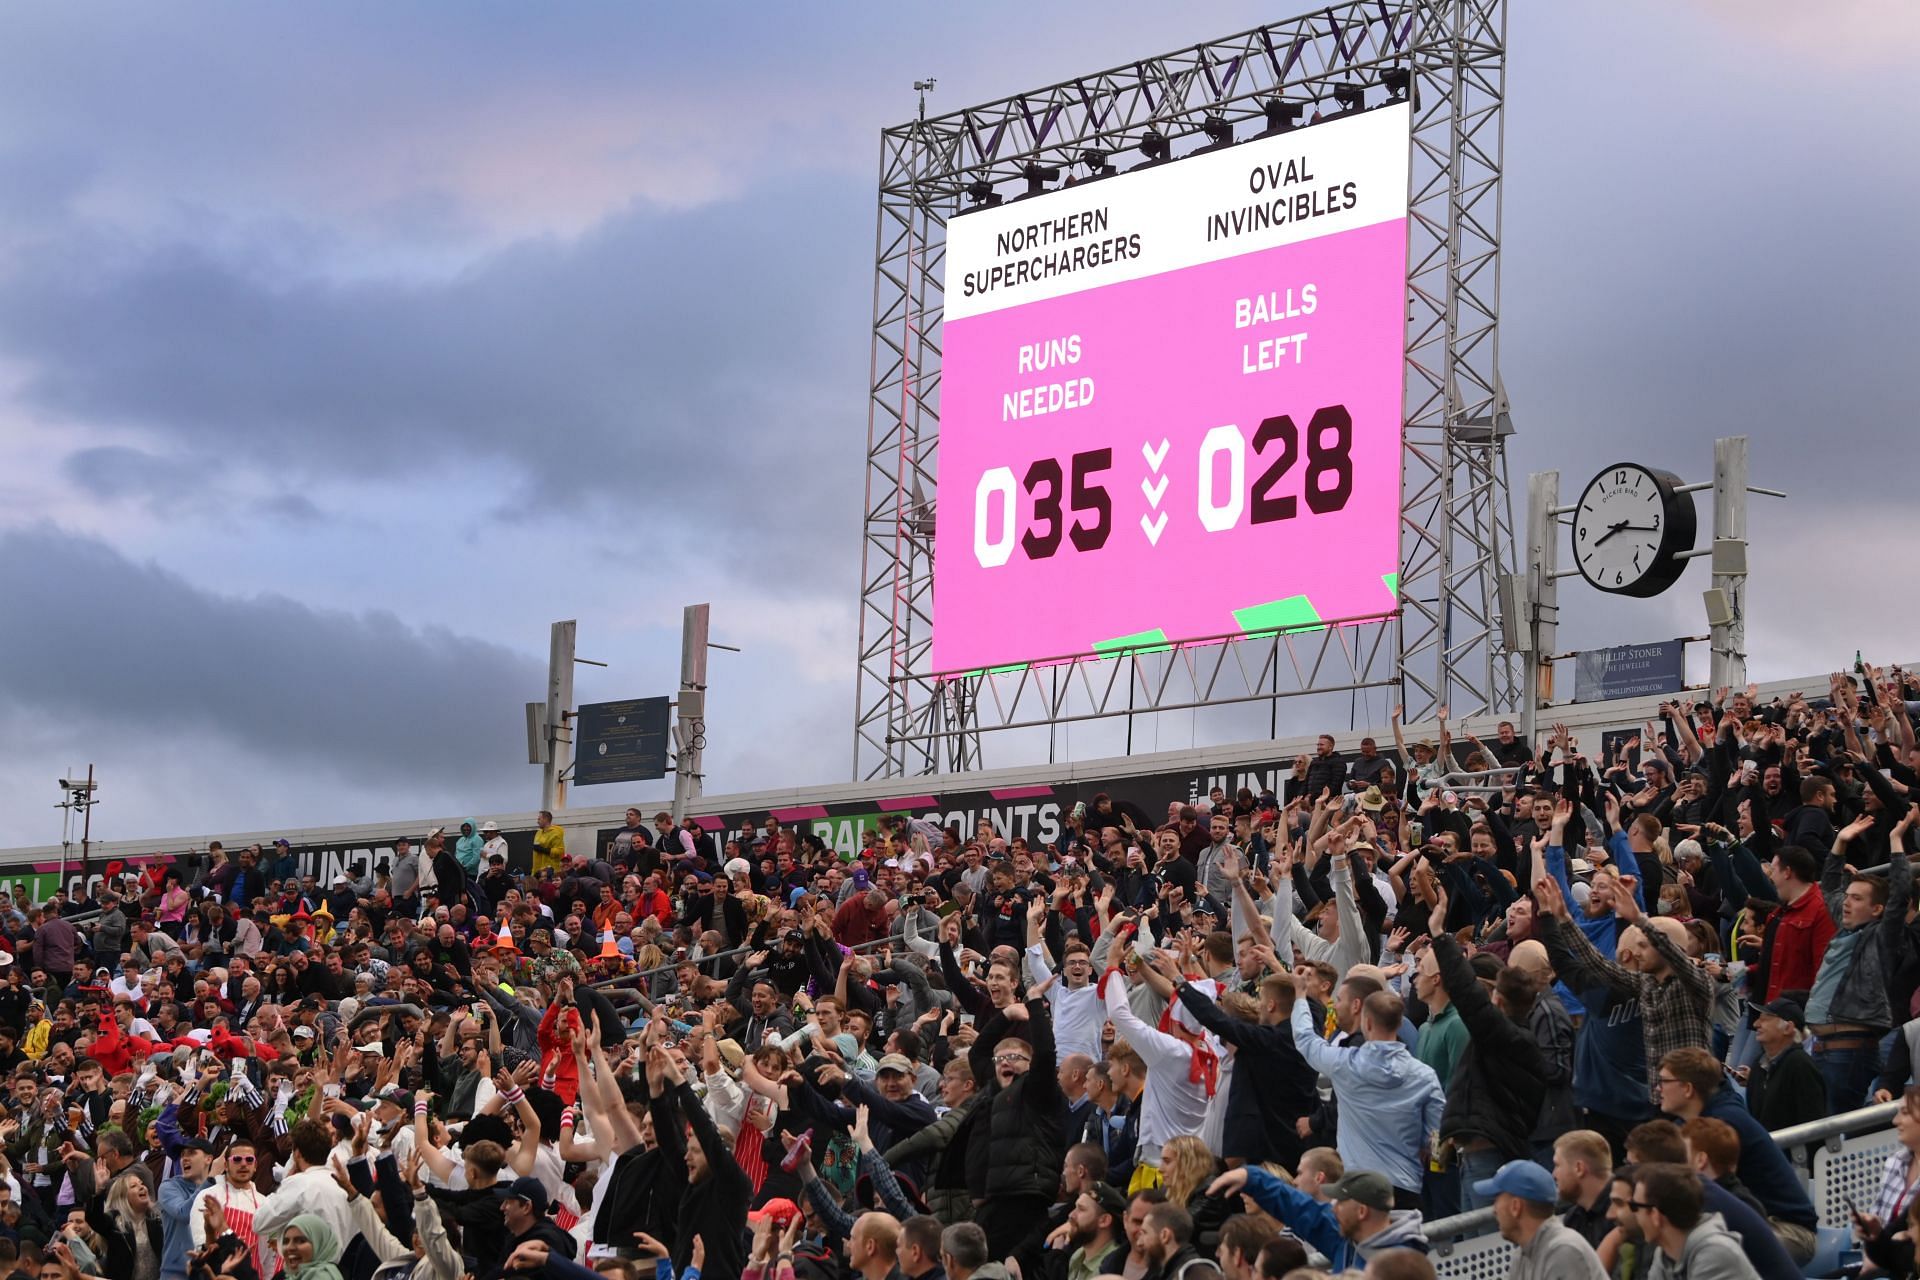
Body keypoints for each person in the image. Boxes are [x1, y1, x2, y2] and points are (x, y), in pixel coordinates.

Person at [1288, 985, 1444, 1208]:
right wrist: (1434, 1166)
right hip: (1406, 1187)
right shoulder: (1425, 1076)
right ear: (1400, 1024)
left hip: (1358, 1186)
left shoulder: (1345, 1063)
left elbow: (1305, 1040)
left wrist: (1301, 996)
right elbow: (1438, 1135)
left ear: (1367, 1022)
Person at [1470, 1159, 1605, 1280]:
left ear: (1515, 1207)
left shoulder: (1564, 1250)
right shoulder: (1523, 1254)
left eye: (1496, 1199)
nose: (1494, 1210)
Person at [1627, 1164, 1759, 1280]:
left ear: (1655, 1215)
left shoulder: (1714, 1253)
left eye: (1635, 1207)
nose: (1634, 1215)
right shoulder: (1664, 1256)